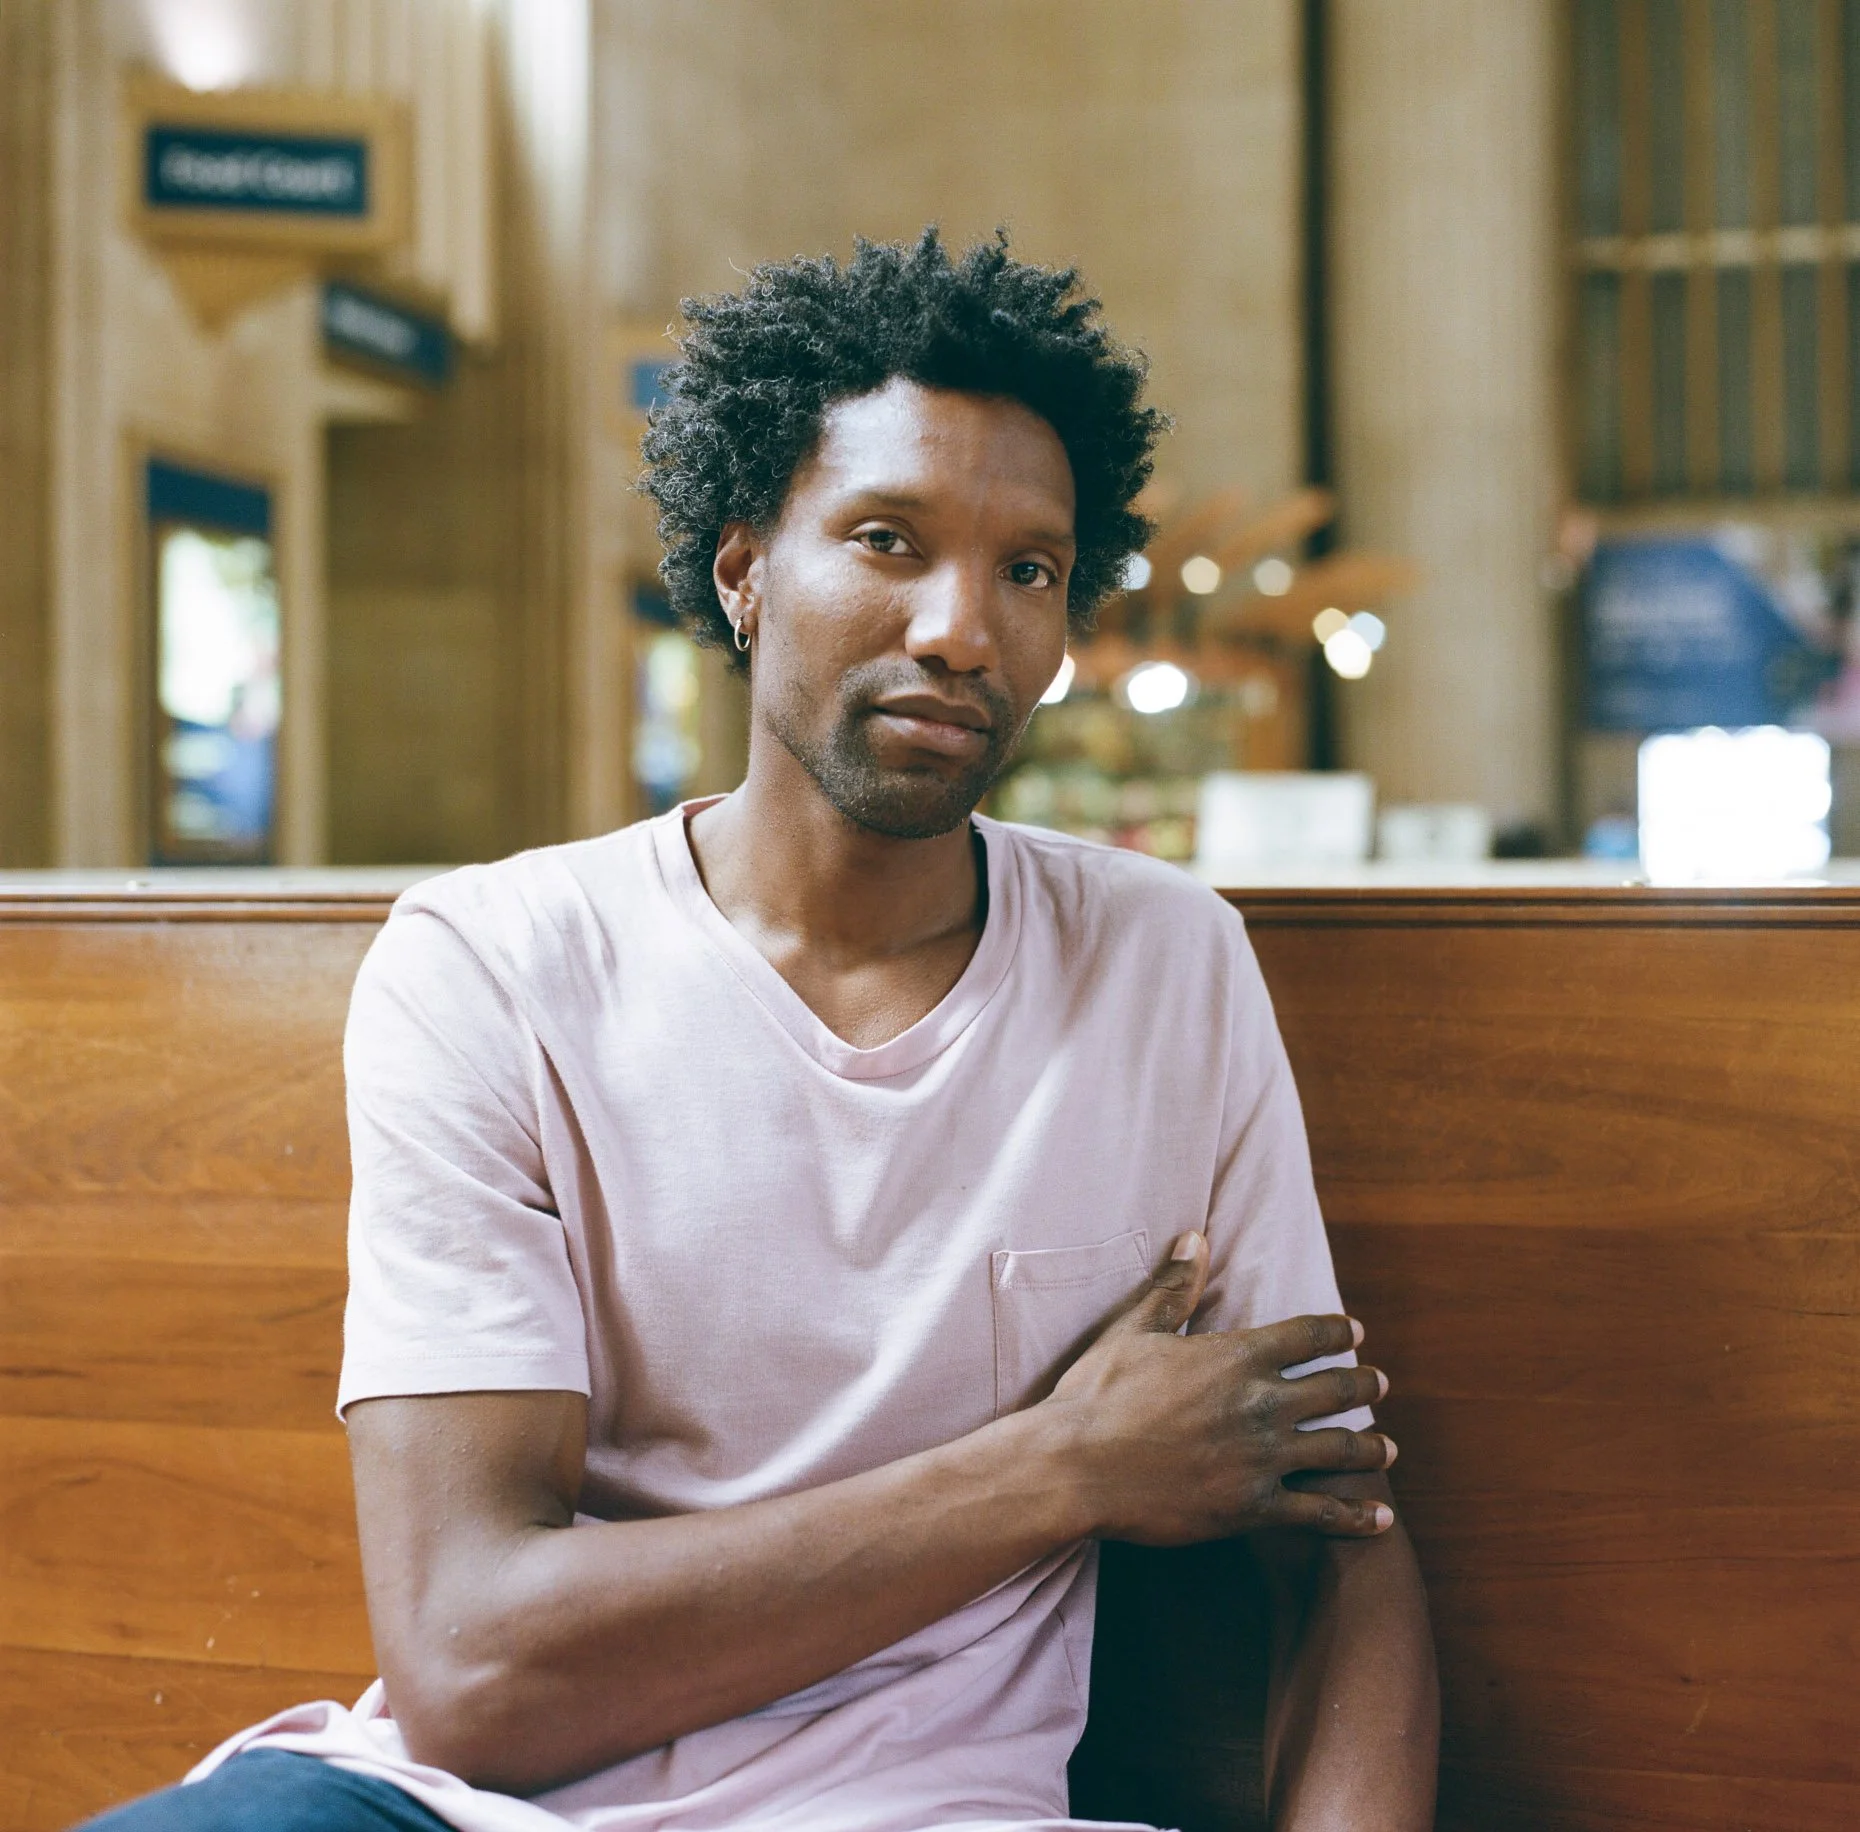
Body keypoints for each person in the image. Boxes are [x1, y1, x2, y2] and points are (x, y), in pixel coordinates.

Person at [83, 231, 1436, 1832]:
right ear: (741, 571)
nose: (963, 629)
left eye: (1030, 570)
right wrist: (1061, 1470)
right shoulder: (495, 966)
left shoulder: (1166, 965)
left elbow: (1338, 1544)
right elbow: (471, 1671)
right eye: (885, 539)